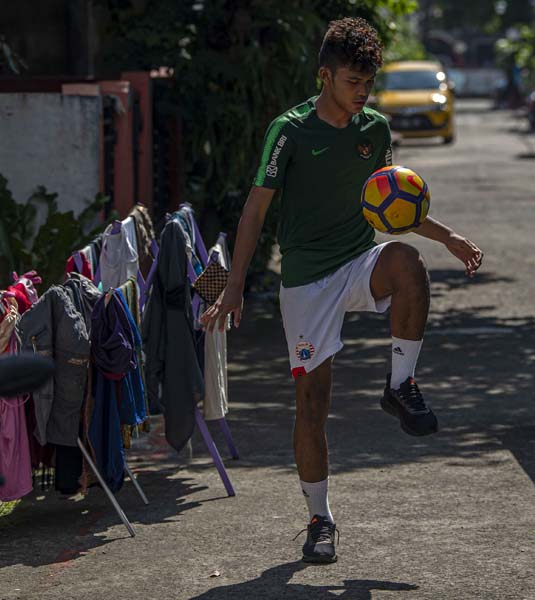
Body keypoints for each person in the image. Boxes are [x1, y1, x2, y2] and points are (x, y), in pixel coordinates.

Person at [200, 16, 483, 565]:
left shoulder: (374, 129)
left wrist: (448, 237)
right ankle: (319, 518)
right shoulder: (290, 130)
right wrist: (234, 285)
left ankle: (401, 385)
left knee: (406, 262)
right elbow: (256, 207)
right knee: (313, 406)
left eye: (368, 84)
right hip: (306, 279)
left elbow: (391, 204)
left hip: (359, 260)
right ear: (324, 76)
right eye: (353, 82)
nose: (363, 93)